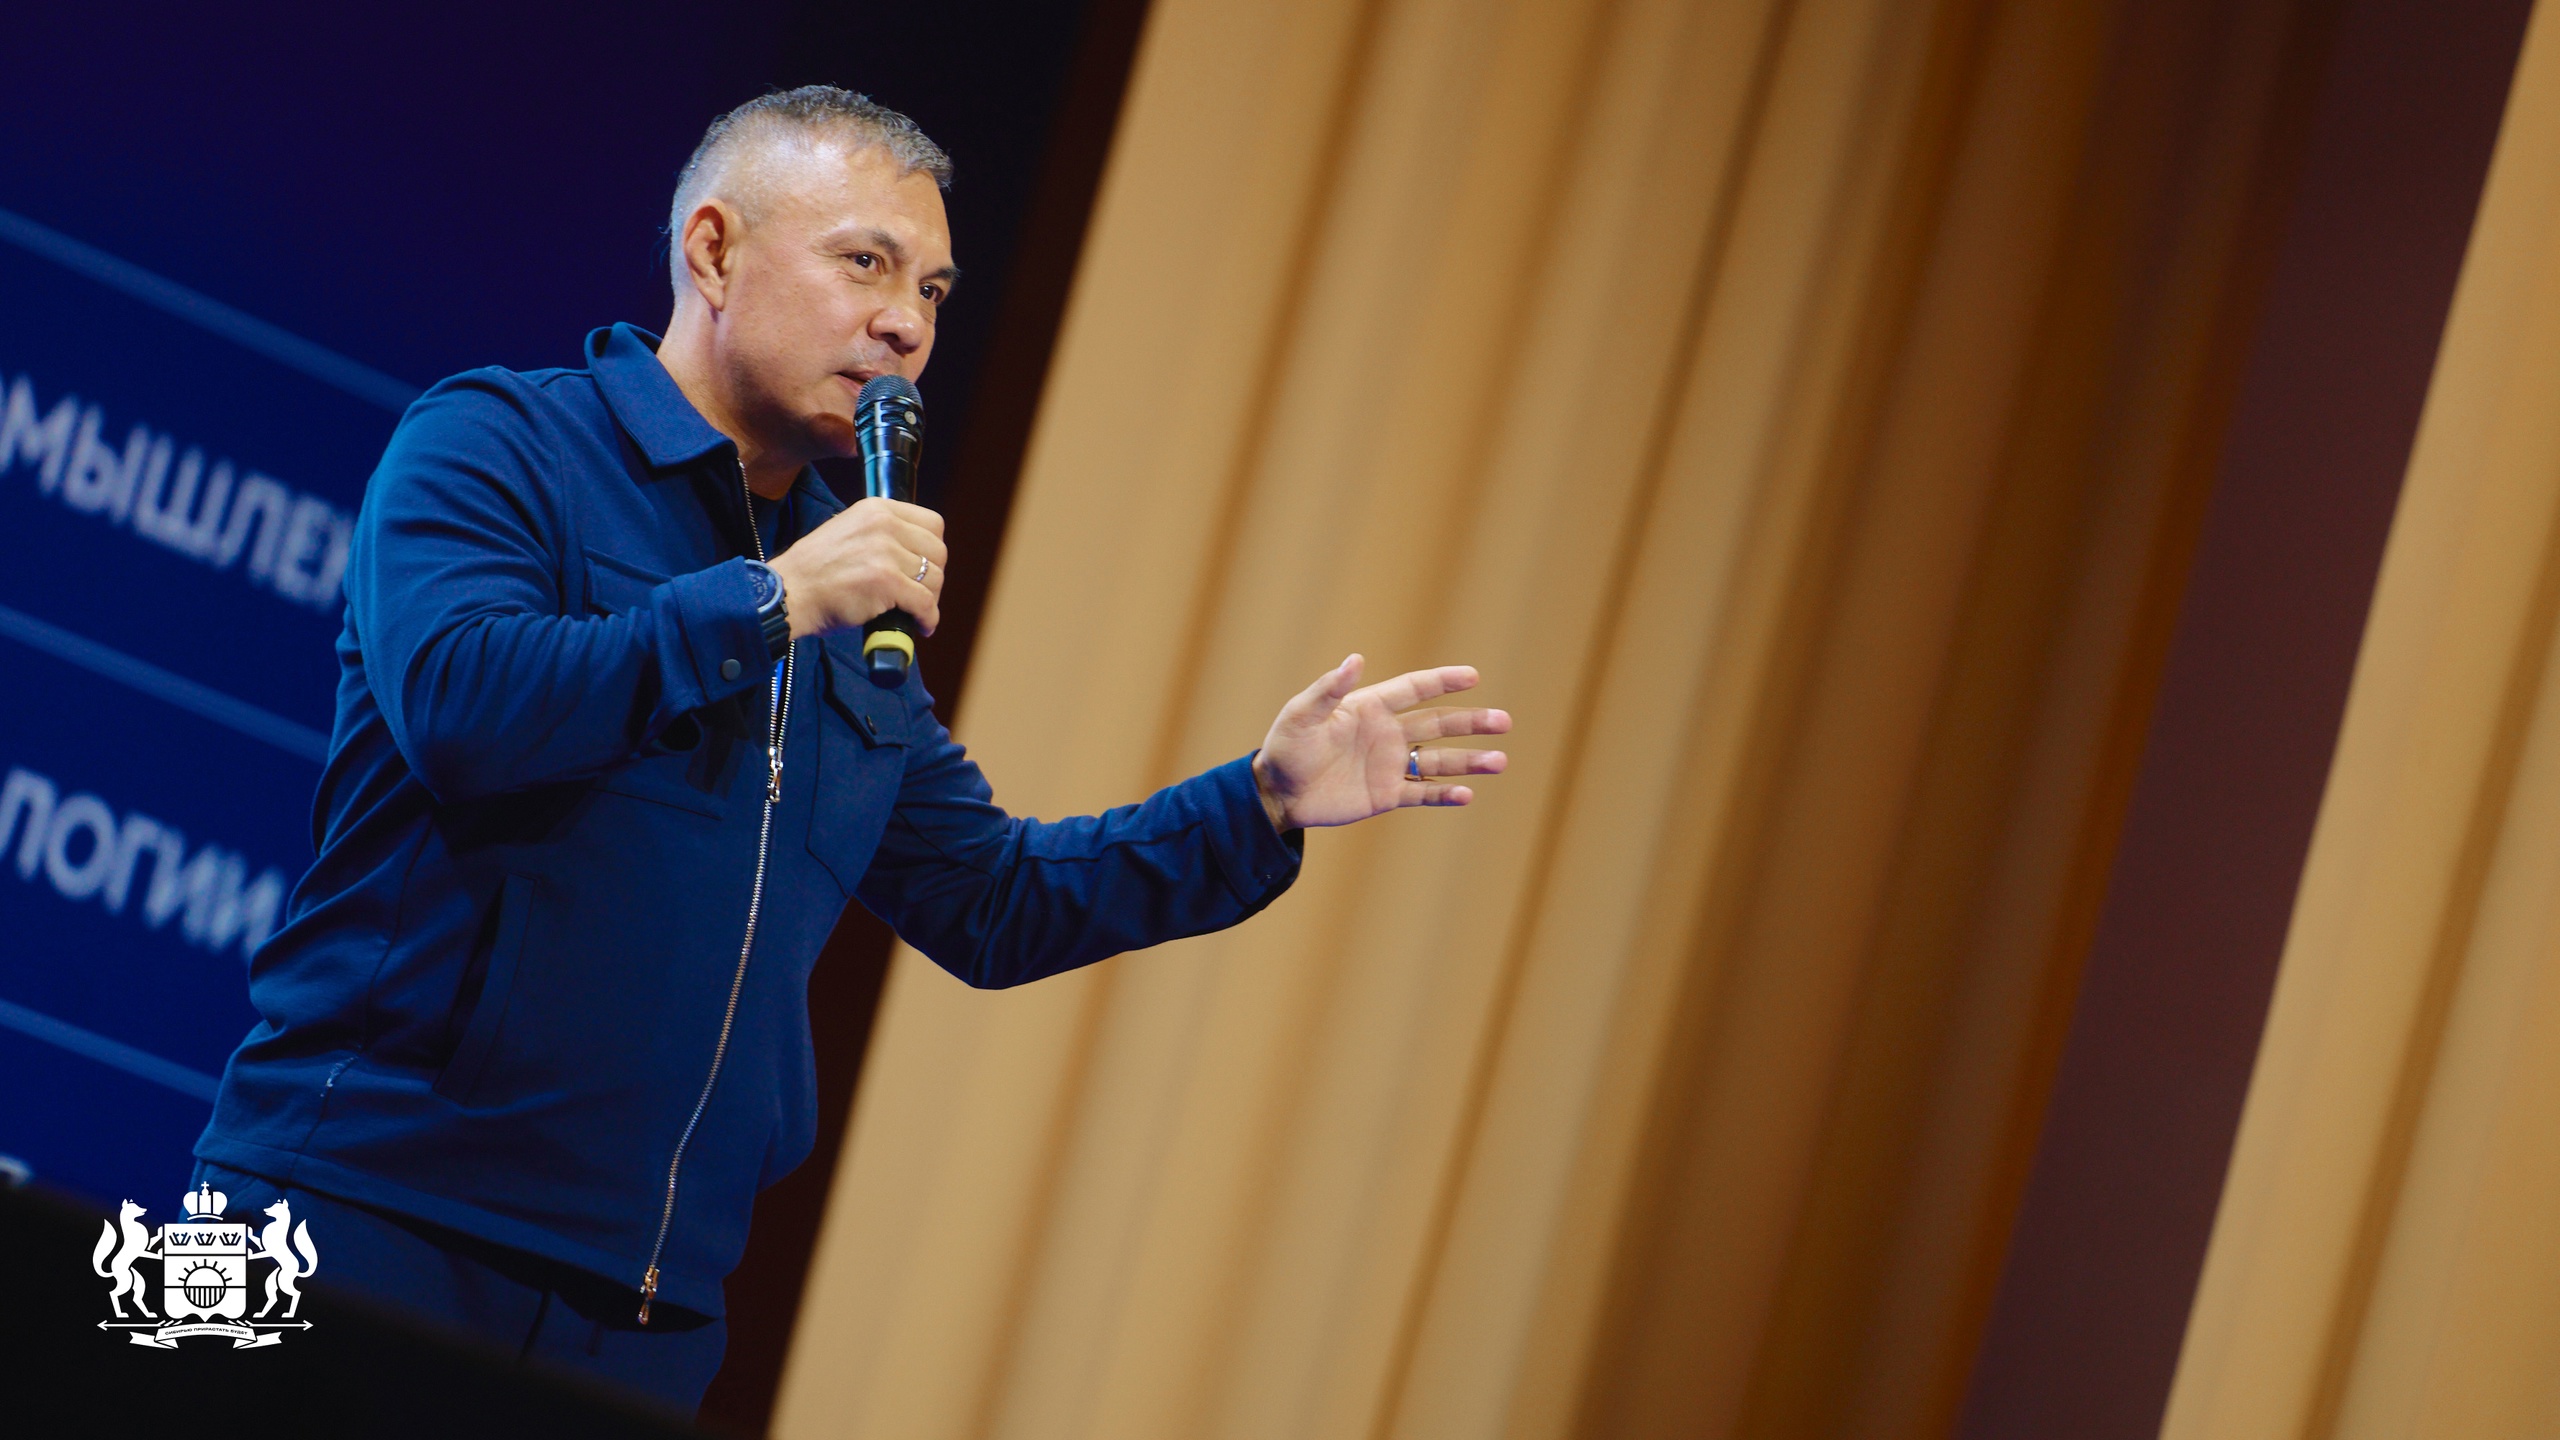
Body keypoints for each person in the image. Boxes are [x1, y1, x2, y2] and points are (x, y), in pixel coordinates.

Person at [188, 87, 1509, 1413]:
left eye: (931, 290)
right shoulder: (499, 442)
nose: (908, 325)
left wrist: (1261, 803)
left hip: (641, 1311)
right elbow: (463, 707)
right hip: (343, 1210)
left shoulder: (837, 594)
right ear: (713, 252)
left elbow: (992, 900)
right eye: (866, 262)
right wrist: (769, 605)